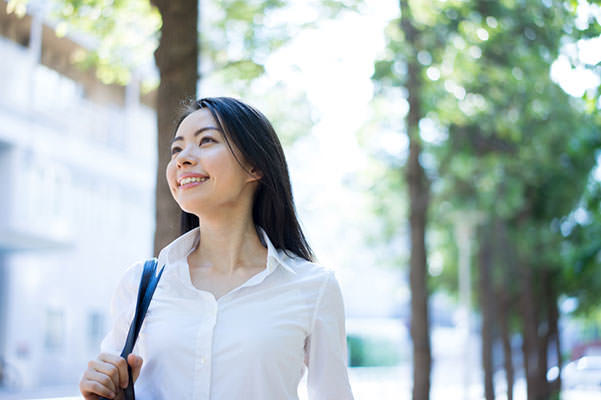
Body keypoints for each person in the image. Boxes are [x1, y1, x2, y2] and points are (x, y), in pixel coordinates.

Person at [79, 97, 355, 400]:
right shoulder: (141, 285)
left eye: (206, 140)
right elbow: (113, 384)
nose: (182, 158)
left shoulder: (313, 288)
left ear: (255, 166)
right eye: (176, 149)